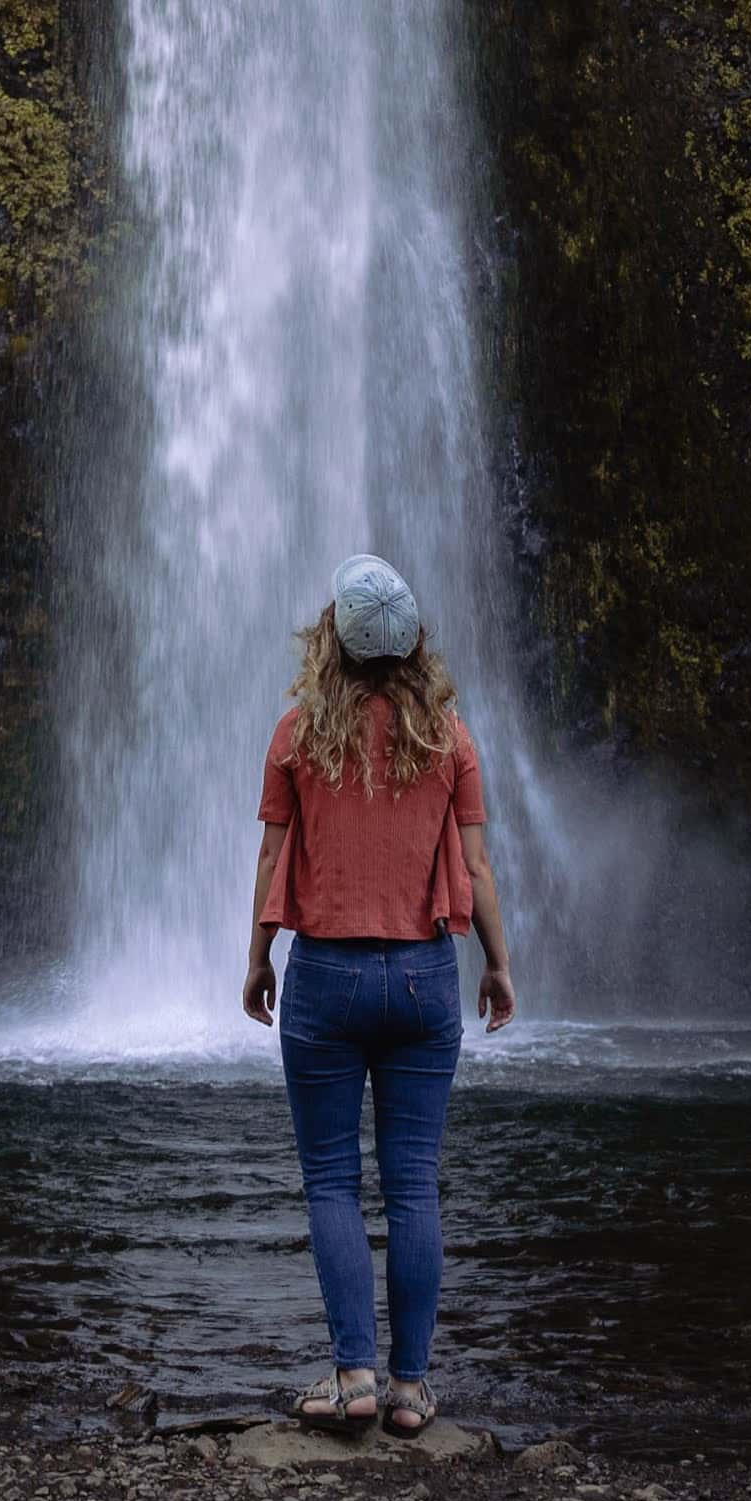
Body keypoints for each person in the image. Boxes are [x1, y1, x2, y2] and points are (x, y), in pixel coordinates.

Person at [242, 550, 517, 1436]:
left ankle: (352, 1376)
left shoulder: (295, 734)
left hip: (323, 974)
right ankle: (409, 1391)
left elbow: (273, 860)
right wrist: (499, 965)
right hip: (424, 975)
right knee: (413, 1187)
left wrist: (257, 958)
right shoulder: (450, 737)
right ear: (411, 644)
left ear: (334, 637)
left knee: (331, 1181)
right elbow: (475, 867)